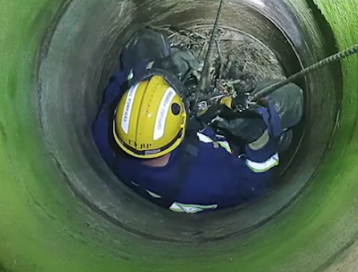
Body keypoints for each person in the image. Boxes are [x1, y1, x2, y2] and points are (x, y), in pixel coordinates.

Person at [91, 28, 304, 214]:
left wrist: (155, 68)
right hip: (227, 147)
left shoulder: (104, 134)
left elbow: (116, 89)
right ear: (181, 126)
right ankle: (281, 137)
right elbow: (258, 186)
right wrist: (257, 138)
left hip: (176, 157)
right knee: (290, 98)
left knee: (144, 41)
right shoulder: (208, 178)